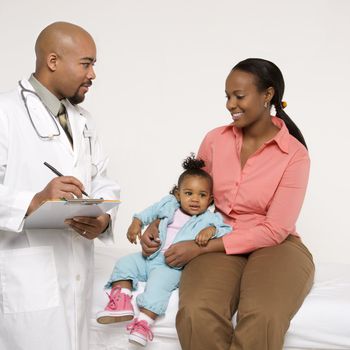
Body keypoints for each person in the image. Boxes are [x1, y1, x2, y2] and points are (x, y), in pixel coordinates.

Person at [140, 58, 315, 350]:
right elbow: (192, 192)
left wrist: (200, 247)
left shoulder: (295, 154)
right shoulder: (215, 139)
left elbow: (275, 229)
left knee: (263, 315)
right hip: (215, 231)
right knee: (197, 311)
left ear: (267, 95)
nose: (229, 104)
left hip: (277, 245)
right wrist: (158, 223)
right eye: (227, 96)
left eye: (239, 96)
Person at [0, 22, 120, 350]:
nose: (93, 73)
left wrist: (104, 219)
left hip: (76, 265)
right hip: (26, 272)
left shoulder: (84, 121)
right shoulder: (5, 112)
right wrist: (34, 200)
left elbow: (104, 179)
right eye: (86, 63)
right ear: (53, 61)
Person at [96, 155, 232, 347]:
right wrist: (136, 223)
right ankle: (121, 301)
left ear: (210, 199)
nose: (195, 199)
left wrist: (211, 231)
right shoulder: (168, 205)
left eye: (202, 195)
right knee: (124, 263)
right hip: (149, 256)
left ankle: (143, 323)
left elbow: (226, 230)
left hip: (171, 266)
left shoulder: (209, 219)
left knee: (157, 288)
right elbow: (146, 213)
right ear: (178, 194)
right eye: (189, 193)